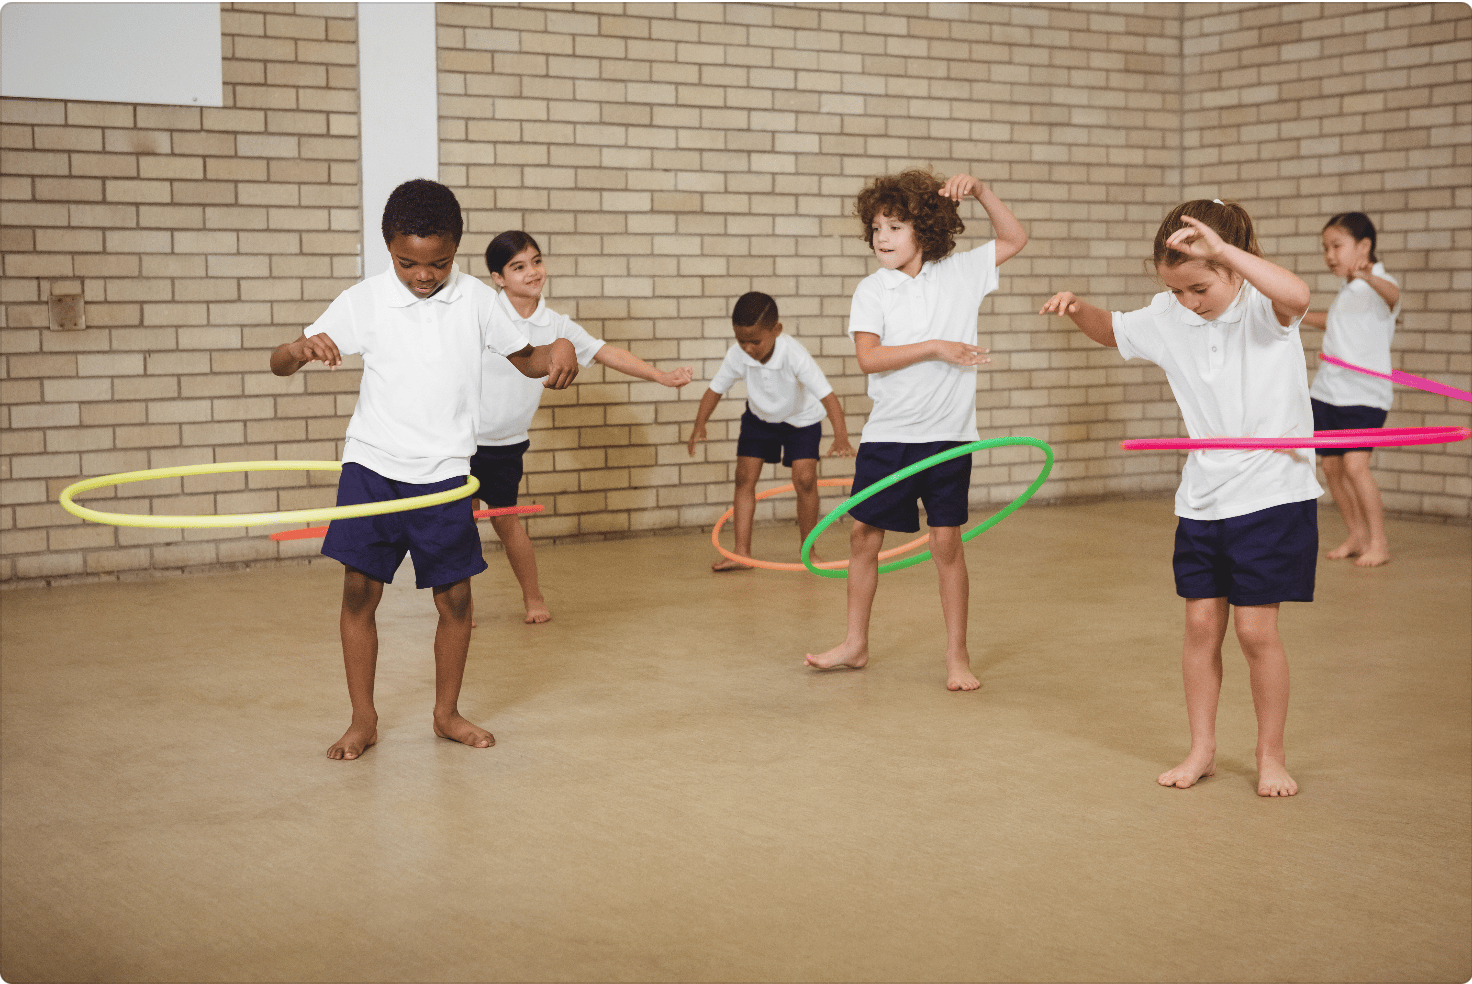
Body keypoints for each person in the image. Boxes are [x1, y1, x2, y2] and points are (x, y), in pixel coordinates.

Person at [269, 179, 579, 761]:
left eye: (437, 262)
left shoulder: (479, 302)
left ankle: (446, 713)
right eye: (407, 262)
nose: (422, 275)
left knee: (455, 600)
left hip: (444, 471)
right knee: (360, 592)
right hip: (372, 466)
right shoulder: (365, 300)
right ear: (388, 248)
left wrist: (560, 349)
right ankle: (363, 718)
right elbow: (280, 363)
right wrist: (299, 349)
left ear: (456, 249)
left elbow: (531, 360)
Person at [1040, 199, 1320, 797]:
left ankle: (1271, 755)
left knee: (1256, 633)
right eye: (1179, 288)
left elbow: (1297, 295)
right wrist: (1078, 308)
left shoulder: (1261, 310)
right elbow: (1112, 330)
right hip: (1203, 497)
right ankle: (1202, 750)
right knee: (1199, 626)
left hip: (1272, 492)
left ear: (1234, 270)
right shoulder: (1169, 315)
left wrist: (1224, 255)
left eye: (1201, 285)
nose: (1191, 300)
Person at [805, 169, 1027, 691]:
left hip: (949, 435)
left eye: (895, 227)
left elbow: (1015, 238)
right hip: (889, 434)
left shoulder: (962, 273)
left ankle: (957, 658)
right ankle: (855, 644)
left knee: (946, 542)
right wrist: (934, 345)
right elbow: (868, 359)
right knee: (863, 536)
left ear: (924, 230)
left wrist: (981, 192)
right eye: (877, 228)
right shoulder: (872, 290)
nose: (882, 237)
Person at [472, 230, 692, 622]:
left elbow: (607, 352)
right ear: (498, 278)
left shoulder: (555, 324)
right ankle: (460, 605)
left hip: (506, 445)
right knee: (458, 527)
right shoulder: (483, 312)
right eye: (518, 267)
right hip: (462, 442)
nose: (533, 272)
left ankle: (533, 598)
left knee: (507, 523)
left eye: (536, 261)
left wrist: (661, 376)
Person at [686, 291, 855, 571]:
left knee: (805, 480)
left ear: (776, 330)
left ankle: (809, 552)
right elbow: (714, 390)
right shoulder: (738, 355)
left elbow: (828, 397)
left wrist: (841, 437)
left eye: (755, 341)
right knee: (743, 478)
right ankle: (741, 553)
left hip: (801, 421)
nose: (748, 348)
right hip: (760, 419)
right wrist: (699, 424)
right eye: (741, 341)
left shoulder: (794, 354)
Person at [1302, 212, 1400, 567]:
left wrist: (1365, 275)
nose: (1329, 255)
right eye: (1325, 247)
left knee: (1356, 466)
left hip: (1364, 394)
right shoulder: (1350, 291)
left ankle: (1379, 542)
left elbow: (1393, 295)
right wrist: (1293, 315)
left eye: (1336, 246)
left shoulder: (1378, 282)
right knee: (1331, 468)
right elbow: (1335, 323)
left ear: (1364, 246)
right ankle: (1356, 534)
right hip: (1329, 391)